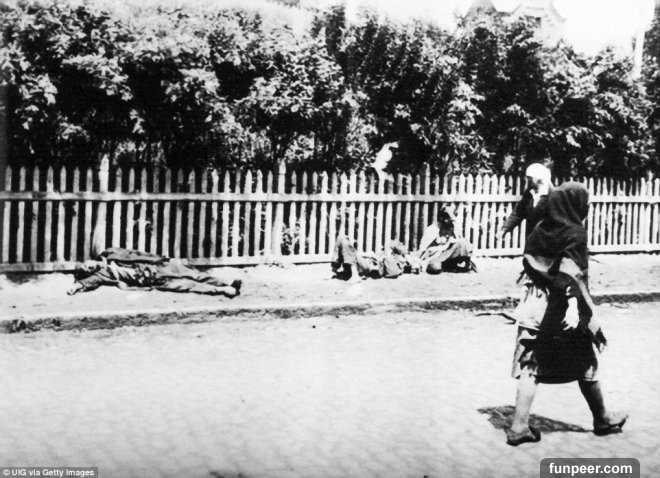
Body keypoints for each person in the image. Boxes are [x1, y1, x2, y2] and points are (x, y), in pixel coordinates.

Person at [506, 182, 627, 446]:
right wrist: (574, 306)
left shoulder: (541, 229)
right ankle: (602, 419)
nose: (587, 207)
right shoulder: (575, 232)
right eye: (586, 203)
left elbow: (532, 261)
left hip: (534, 303)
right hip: (562, 306)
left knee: (532, 363)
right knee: (586, 359)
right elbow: (570, 273)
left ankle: (518, 426)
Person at [68, 248, 242, 298]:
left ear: (90, 260)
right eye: (87, 270)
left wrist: (160, 258)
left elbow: (137, 253)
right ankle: (223, 290)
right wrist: (76, 286)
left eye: (87, 265)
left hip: (159, 266)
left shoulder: (110, 253)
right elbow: (88, 282)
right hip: (152, 280)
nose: (90, 267)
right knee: (188, 284)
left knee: (194, 274)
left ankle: (226, 282)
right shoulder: (103, 274)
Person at [497, 163, 554, 242]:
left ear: (539, 179)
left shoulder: (553, 196)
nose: (527, 180)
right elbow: (518, 213)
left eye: (530, 178)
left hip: (548, 241)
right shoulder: (528, 194)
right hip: (531, 240)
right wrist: (504, 229)